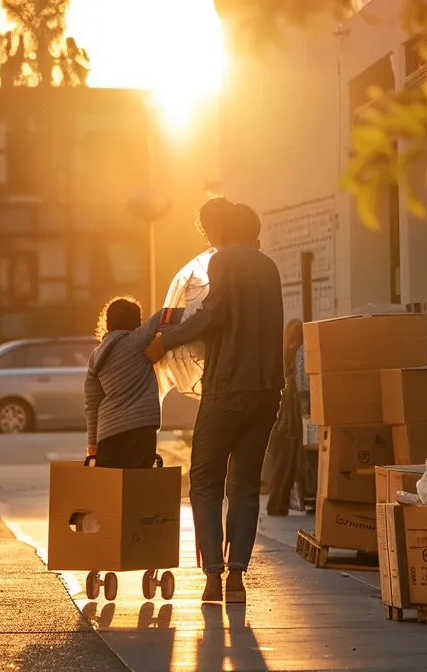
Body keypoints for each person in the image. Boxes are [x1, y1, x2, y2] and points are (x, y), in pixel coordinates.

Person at [146, 199, 284, 603]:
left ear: (220, 231)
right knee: (244, 484)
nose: (208, 240)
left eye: (208, 231)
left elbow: (214, 315)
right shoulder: (269, 267)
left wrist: (165, 341)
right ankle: (237, 578)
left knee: (205, 482)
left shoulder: (223, 261)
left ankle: (211, 578)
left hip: (227, 389)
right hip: (267, 391)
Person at [84, 297, 165, 468]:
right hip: (141, 428)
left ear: (108, 322)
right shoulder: (138, 339)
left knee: (111, 490)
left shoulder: (95, 356)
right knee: (137, 487)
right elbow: (169, 313)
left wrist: (92, 442)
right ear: (137, 322)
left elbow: (92, 404)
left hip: (108, 432)